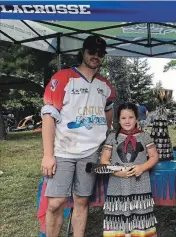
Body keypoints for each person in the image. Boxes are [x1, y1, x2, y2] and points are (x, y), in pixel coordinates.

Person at [40, 35, 116, 237]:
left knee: (82, 201)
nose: (95, 56)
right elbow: (48, 116)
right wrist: (48, 155)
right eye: (91, 52)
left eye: (100, 54)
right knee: (56, 202)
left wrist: (104, 136)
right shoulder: (62, 77)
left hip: (91, 153)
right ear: (83, 52)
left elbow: (108, 109)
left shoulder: (105, 85)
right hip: (64, 150)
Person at [99, 102, 159, 237]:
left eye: (131, 117)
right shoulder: (112, 137)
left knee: (140, 216)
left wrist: (142, 167)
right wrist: (116, 171)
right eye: (123, 118)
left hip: (140, 184)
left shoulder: (145, 136)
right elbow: (103, 160)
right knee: (118, 215)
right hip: (117, 185)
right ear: (119, 120)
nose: (127, 121)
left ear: (136, 118)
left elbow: (154, 157)